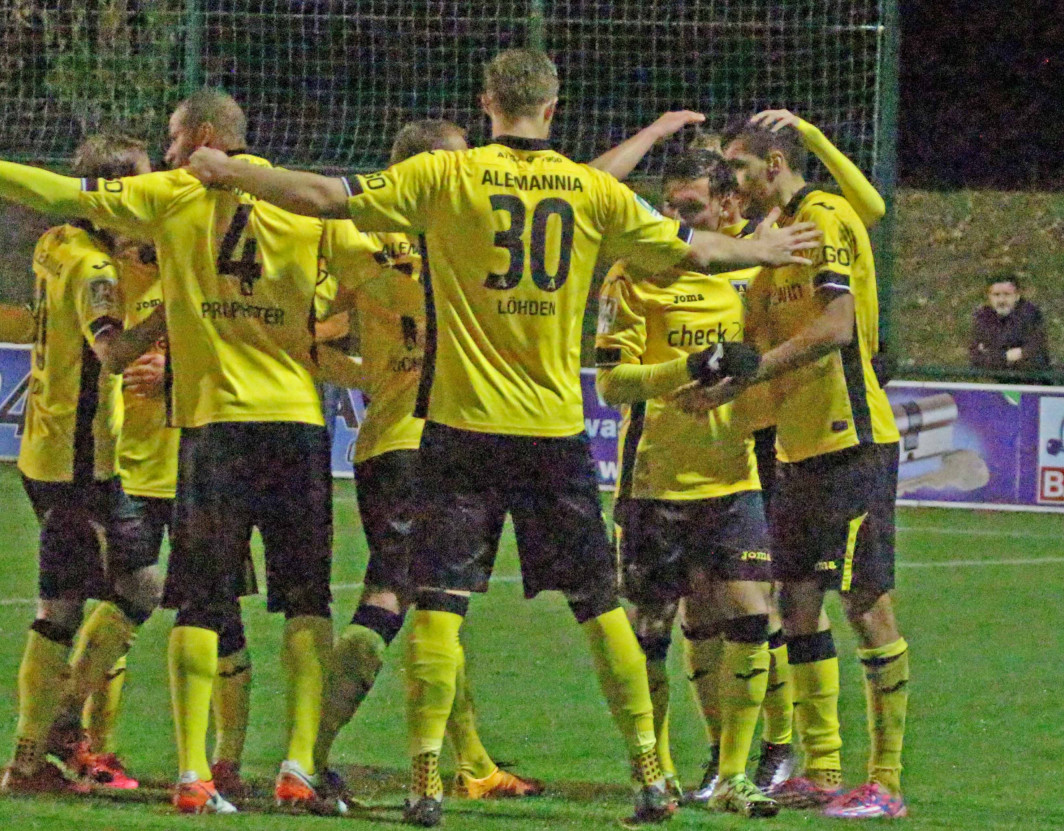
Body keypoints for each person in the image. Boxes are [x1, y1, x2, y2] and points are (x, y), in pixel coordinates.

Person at [186, 48, 820, 827]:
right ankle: (650, 774)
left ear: (486, 101)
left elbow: (322, 195)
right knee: (600, 607)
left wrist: (231, 170)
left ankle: (426, 780)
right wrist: (761, 249)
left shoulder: (448, 176)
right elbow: (691, 248)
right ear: (552, 108)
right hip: (551, 429)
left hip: (461, 428)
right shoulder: (589, 188)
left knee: (437, 604)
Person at [0, 91, 387, 815]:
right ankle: (299, 765)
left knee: (197, 600)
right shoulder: (303, 204)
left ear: (205, 136)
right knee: (306, 600)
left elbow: (53, 191)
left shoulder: (173, 198)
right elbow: (384, 266)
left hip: (213, 425)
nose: (170, 152)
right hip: (296, 425)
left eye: (175, 139)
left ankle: (192, 774)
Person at [311, 118, 543, 803]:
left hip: (397, 441)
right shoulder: (463, 237)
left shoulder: (357, 234)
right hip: (435, 442)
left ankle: (473, 763)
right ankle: (307, 758)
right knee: (391, 596)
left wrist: (375, 375)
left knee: (437, 604)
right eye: (456, 163)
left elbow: (311, 337)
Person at [683, 119, 909, 820]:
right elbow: (754, 332)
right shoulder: (775, 239)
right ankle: (822, 767)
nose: (731, 181)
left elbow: (838, 325)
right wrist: (720, 384)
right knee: (800, 607)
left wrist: (755, 368)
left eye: (738, 167)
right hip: (797, 450)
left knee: (866, 605)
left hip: (852, 439)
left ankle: (886, 781)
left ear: (774, 162)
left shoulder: (825, 217)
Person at [0, 133, 163, 795]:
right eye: (141, 185)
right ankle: (38, 748)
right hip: (79, 463)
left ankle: (48, 739)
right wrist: (177, 306)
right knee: (106, 597)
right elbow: (113, 353)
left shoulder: (56, 243)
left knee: (109, 593)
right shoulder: (96, 270)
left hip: (51, 450)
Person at [595, 149, 780, 818]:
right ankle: (659, 772)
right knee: (651, 630)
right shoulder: (634, 274)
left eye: (690, 207)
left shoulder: (752, 272)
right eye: (667, 205)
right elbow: (613, 383)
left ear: (728, 206)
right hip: (655, 482)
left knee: (752, 615)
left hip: (734, 475)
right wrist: (692, 367)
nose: (674, 217)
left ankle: (732, 772)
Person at [969, 275, 1050, 376]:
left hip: (1027, 381)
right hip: (991, 380)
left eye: (1007, 294)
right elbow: (976, 358)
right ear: (989, 297)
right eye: (996, 295)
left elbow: (1032, 353)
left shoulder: (1030, 315)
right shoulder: (983, 317)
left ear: (1017, 296)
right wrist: (1007, 356)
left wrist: (993, 354)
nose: (1001, 300)